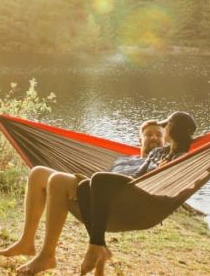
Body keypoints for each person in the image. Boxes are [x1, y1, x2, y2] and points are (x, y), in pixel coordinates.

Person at [0, 120, 167, 275]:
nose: (154, 137)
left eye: (159, 135)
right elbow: (104, 178)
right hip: (97, 191)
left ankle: (47, 256)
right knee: (38, 173)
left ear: (165, 142)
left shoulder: (163, 162)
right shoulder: (124, 159)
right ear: (140, 141)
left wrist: (164, 162)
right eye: (148, 134)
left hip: (126, 204)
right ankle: (27, 242)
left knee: (57, 180)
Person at [77, 111, 197, 275]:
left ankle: (95, 246)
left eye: (166, 125)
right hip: (135, 185)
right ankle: (99, 245)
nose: (163, 128)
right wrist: (116, 178)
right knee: (84, 186)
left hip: (148, 196)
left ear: (174, 129)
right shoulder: (157, 152)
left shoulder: (182, 157)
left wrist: (162, 170)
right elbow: (137, 174)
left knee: (98, 179)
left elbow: (179, 179)